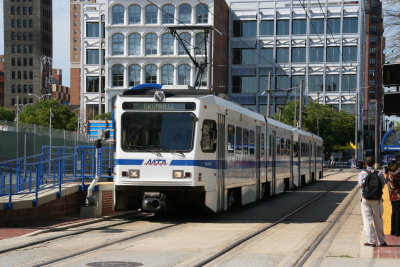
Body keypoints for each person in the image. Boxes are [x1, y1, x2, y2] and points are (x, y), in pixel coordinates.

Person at [358, 156, 388, 247]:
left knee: (367, 220)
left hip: (365, 199)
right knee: (378, 220)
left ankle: (371, 241)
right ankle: (381, 241)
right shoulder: (379, 174)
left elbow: (360, 186)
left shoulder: (361, 174)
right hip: (377, 200)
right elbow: (383, 185)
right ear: (374, 164)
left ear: (365, 164)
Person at [386, 160, 400, 236]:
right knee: (398, 214)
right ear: (391, 166)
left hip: (392, 196)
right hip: (397, 196)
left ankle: (393, 230)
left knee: (394, 213)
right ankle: (397, 231)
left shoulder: (388, 174)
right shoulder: (394, 175)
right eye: (396, 165)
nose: (397, 166)